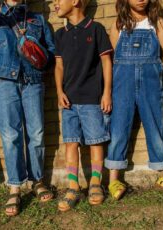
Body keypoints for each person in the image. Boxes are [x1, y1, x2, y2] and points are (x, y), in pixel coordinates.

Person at [0, 0, 55, 216]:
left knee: (37, 133)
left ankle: (37, 180)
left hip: (33, 82)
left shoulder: (38, 20)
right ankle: (14, 186)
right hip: (7, 82)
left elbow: (50, 52)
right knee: (10, 135)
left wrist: (41, 56)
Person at [105, 0, 163, 200]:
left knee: (154, 126)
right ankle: (113, 179)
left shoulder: (157, 23)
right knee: (119, 128)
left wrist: (153, 72)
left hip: (150, 84)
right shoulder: (118, 24)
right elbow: (110, 60)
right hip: (122, 85)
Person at [54, 0, 113, 211]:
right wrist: (60, 92)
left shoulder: (96, 29)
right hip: (68, 102)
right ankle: (72, 186)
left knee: (96, 141)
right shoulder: (60, 35)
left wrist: (106, 93)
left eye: (58, 0)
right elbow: (59, 66)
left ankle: (96, 182)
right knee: (71, 143)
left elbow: (107, 62)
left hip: (92, 100)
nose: (55, 4)